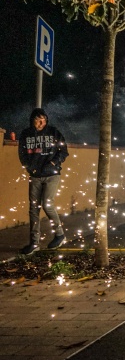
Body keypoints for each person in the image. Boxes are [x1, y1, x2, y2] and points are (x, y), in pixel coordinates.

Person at [17, 108, 69, 255]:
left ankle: (59, 234)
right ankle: (34, 243)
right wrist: (29, 168)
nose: (40, 123)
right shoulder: (26, 134)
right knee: (34, 209)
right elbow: (22, 153)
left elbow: (64, 151)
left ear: (46, 120)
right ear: (32, 120)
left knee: (47, 204)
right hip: (35, 176)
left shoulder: (53, 132)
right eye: (37, 120)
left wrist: (53, 164)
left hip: (52, 175)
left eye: (43, 120)